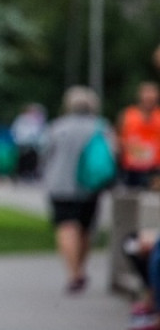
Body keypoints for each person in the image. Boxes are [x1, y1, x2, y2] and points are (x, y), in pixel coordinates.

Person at [40, 85, 115, 294]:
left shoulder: (57, 127)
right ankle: (80, 268)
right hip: (89, 186)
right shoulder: (101, 127)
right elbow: (111, 155)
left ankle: (73, 274)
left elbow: (45, 154)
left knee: (66, 226)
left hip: (59, 184)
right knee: (85, 228)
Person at [116, 81, 160, 189]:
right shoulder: (128, 115)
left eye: (152, 97)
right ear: (140, 96)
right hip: (131, 170)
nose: (149, 100)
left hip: (155, 170)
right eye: (146, 96)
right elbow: (118, 138)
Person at [10, 102, 47, 181]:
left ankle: (31, 172)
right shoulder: (22, 119)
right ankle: (22, 173)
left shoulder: (37, 119)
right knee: (24, 156)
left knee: (32, 156)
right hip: (22, 143)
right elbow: (17, 131)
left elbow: (40, 132)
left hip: (33, 144)